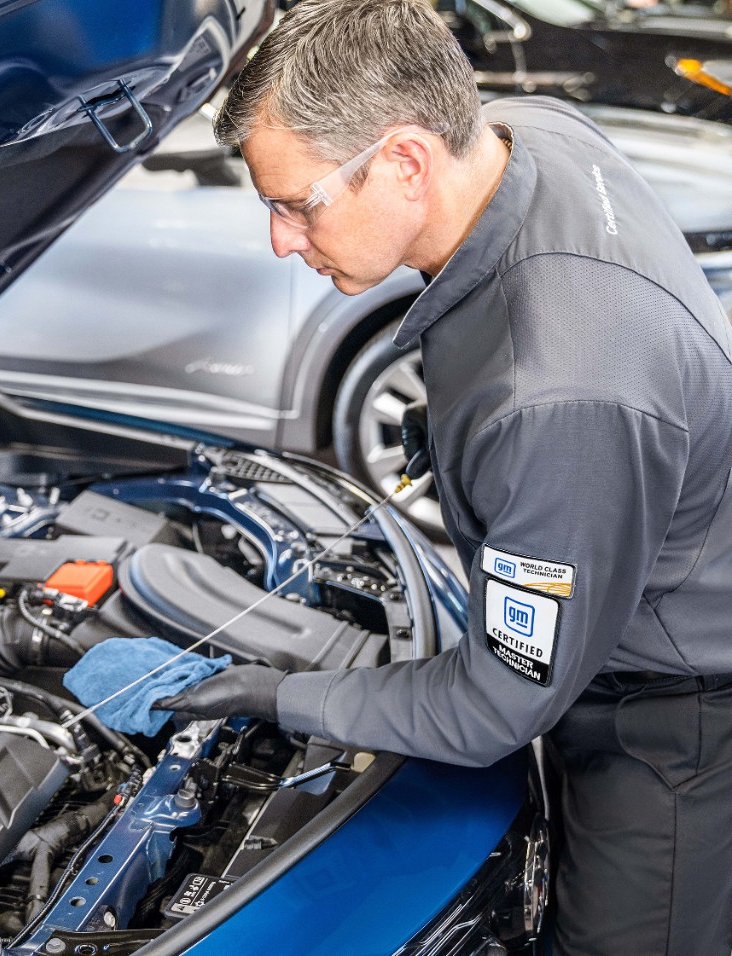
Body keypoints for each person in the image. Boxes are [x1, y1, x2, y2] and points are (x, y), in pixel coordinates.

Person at [156, 1, 732, 953]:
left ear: (407, 161)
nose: (281, 241)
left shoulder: (561, 393)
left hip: (672, 732)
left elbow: (492, 706)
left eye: (296, 204)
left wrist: (276, 695)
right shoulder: (532, 132)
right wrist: (458, 421)